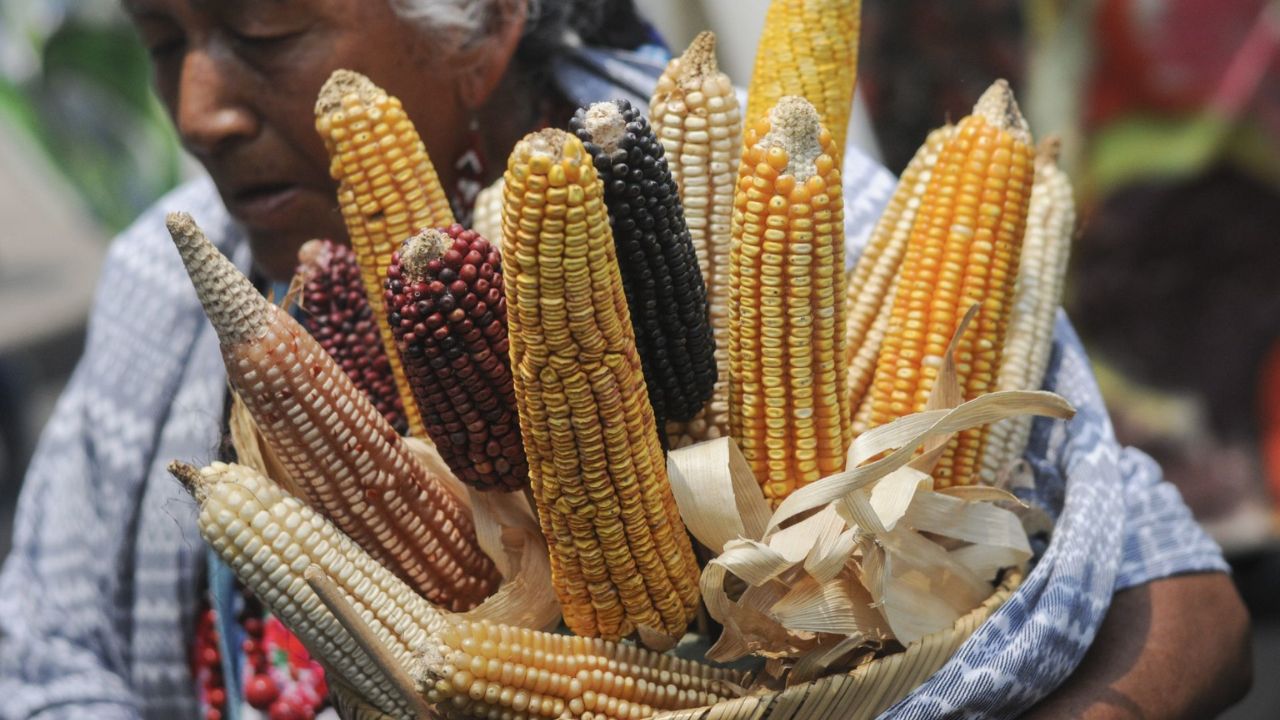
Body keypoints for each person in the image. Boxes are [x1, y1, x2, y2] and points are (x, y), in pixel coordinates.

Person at [0, 1, 1251, 718]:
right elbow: (45, 654)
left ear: (483, 24)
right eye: (162, 40)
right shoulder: (166, 288)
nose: (199, 107)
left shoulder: (809, 221)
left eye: (263, 30)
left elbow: (1184, 598)